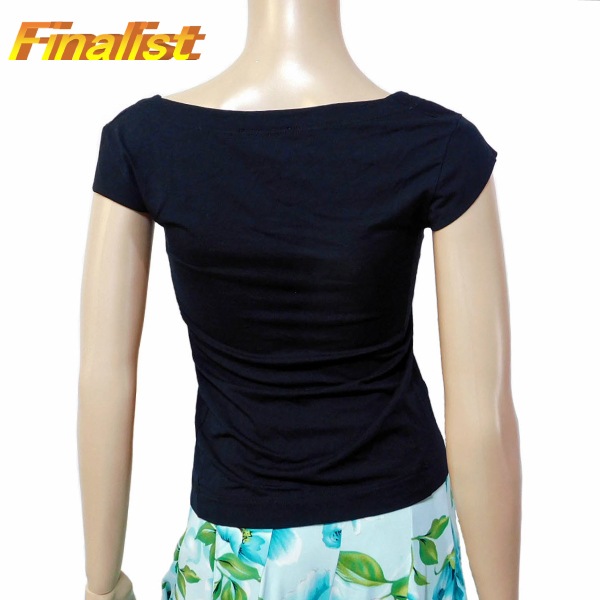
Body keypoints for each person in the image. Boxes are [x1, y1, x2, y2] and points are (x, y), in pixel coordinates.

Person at [79, 1, 522, 599]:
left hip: (235, 552)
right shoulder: (437, 144)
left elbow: (104, 377)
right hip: (398, 546)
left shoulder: (145, 141)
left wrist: (102, 582)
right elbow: (484, 416)